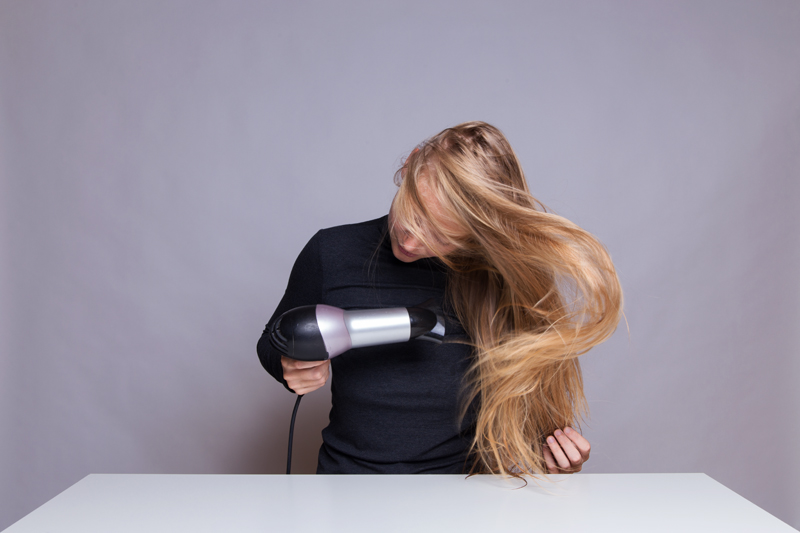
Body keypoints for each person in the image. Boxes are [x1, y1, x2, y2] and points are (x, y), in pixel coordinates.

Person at [258, 121, 623, 477]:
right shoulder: (331, 251)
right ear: (409, 164)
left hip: (464, 497)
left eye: (443, 236)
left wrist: (555, 454)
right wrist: (289, 364)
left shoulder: (492, 278)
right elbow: (272, 339)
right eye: (414, 214)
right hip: (347, 486)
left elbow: (531, 400)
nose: (413, 242)